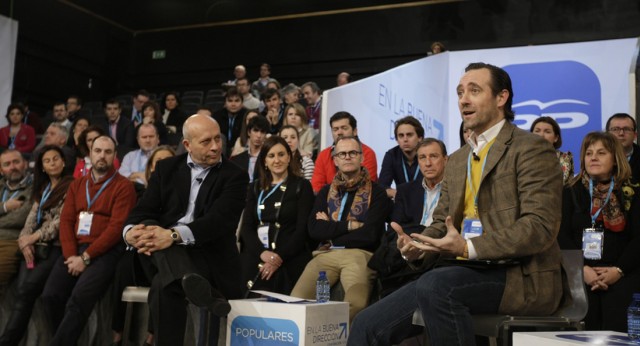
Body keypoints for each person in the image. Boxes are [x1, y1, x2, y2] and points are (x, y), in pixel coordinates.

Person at [349, 62, 566, 345]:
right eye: (460, 92)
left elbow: (539, 227)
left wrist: (467, 247)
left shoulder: (531, 148)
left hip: (519, 275)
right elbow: (442, 222)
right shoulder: (459, 158)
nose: (463, 99)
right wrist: (419, 246)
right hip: (462, 272)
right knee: (366, 324)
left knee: (436, 286)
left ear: (502, 98)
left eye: (474, 91)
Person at [122, 114, 248, 346]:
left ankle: (188, 280)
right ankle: (195, 284)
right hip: (160, 253)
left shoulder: (235, 175)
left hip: (208, 256)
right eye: (206, 142)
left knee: (164, 286)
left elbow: (219, 222)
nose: (215, 147)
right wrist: (129, 233)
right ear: (187, 144)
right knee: (149, 225)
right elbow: (142, 210)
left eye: (217, 139)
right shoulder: (166, 168)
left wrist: (172, 235)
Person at [40, 135, 137, 345]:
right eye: (98, 151)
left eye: (108, 152)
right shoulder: (77, 184)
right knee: (50, 296)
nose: (102, 156)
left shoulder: (124, 186)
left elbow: (116, 228)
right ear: (90, 154)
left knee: (78, 299)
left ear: (115, 157)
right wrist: (72, 256)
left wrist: (85, 257)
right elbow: (66, 221)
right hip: (73, 250)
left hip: (105, 251)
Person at [291, 136, 392, 322]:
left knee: (356, 304)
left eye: (353, 153)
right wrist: (350, 226)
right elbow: (314, 229)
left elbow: (370, 235)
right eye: (342, 154)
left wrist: (331, 232)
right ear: (335, 160)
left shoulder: (377, 192)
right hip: (325, 255)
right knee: (296, 301)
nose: (347, 157)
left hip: (359, 255)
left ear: (362, 157)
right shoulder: (325, 192)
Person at [558, 131, 640, 332]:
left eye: (601, 153)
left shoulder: (632, 191)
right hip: (580, 275)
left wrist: (618, 271)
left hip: (623, 274)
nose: (593, 157)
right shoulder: (570, 190)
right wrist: (581, 269)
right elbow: (560, 235)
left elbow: (638, 239)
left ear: (615, 159)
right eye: (589, 153)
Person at [0, 146, 73, 345]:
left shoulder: (72, 186)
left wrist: (33, 238)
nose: (52, 163)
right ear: (42, 167)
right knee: (22, 291)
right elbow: (31, 219)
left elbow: (61, 221)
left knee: (27, 290)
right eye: (47, 161)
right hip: (32, 247)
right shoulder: (43, 189)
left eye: (55, 159)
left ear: (63, 161)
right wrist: (24, 241)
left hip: (55, 247)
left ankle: (7, 341)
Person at [110, 145, 175, 346]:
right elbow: (132, 222)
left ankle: (150, 338)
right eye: (158, 163)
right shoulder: (139, 193)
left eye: (168, 162)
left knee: (161, 279)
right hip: (141, 251)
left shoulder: (182, 196)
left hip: (169, 254)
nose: (163, 167)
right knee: (122, 267)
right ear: (150, 169)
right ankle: (117, 335)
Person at [369, 138, 448, 298]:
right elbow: (396, 229)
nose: (428, 163)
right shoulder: (406, 190)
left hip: (438, 251)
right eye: (422, 158)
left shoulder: (455, 190)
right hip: (407, 252)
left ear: (445, 159)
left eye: (433, 156)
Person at [239, 136, 314, 295]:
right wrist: (263, 254)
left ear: (289, 157)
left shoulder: (301, 186)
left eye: (281, 154)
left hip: (289, 256)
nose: (277, 160)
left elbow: (302, 231)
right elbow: (246, 228)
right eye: (271, 156)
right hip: (258, 254)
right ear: (264, 161)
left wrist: (277, 258)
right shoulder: (255, 187)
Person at [311, 111, 378, 194]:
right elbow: (316, 187)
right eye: (335, 129)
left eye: (344, 128)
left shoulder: (367, 153)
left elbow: (367, 184)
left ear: (355, 131)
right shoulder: (324, 155)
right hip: (329, 202)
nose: (339, 132)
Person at [0, 150, 34, 287]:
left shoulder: (35, 187)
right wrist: (5, 207)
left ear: (25, 164)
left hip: (11, 240)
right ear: (1, 170)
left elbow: (21, 217)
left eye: (16, 162)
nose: (12, 167)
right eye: (7, 164)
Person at [378, 116, 425, 199]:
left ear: (420, 138)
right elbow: (382, 187)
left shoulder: (427, 154)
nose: (405, 139)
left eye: (409, 135)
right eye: (401, 136)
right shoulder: (391, 155)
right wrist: (397, 193)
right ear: (397, 139)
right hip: (401, 201)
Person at [531, 116, 574, 185]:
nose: (541, 135)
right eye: (537, 131)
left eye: (547, 132)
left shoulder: (564, 158)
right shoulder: (523, 158)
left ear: (556, 138)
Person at [231, 116, 270, 183]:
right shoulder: (236, 160)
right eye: (255, 130)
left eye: (262, 132)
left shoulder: (268, 159)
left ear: (265, 135)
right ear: (249, 132)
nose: (259, 135)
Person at [606, 113, 640, 183]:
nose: (621, 133)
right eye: (615, 129)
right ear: (607, 135)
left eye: (626, 129)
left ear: (635, 135)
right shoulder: (596, 157)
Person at [213, 87, 246, 157]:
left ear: (242, 103)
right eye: (230, 101)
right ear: (225, 103)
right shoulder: (216, 116)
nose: (233, 104)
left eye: (237, 101)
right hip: (220, 149)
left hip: (241, 148)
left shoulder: (246, 115)